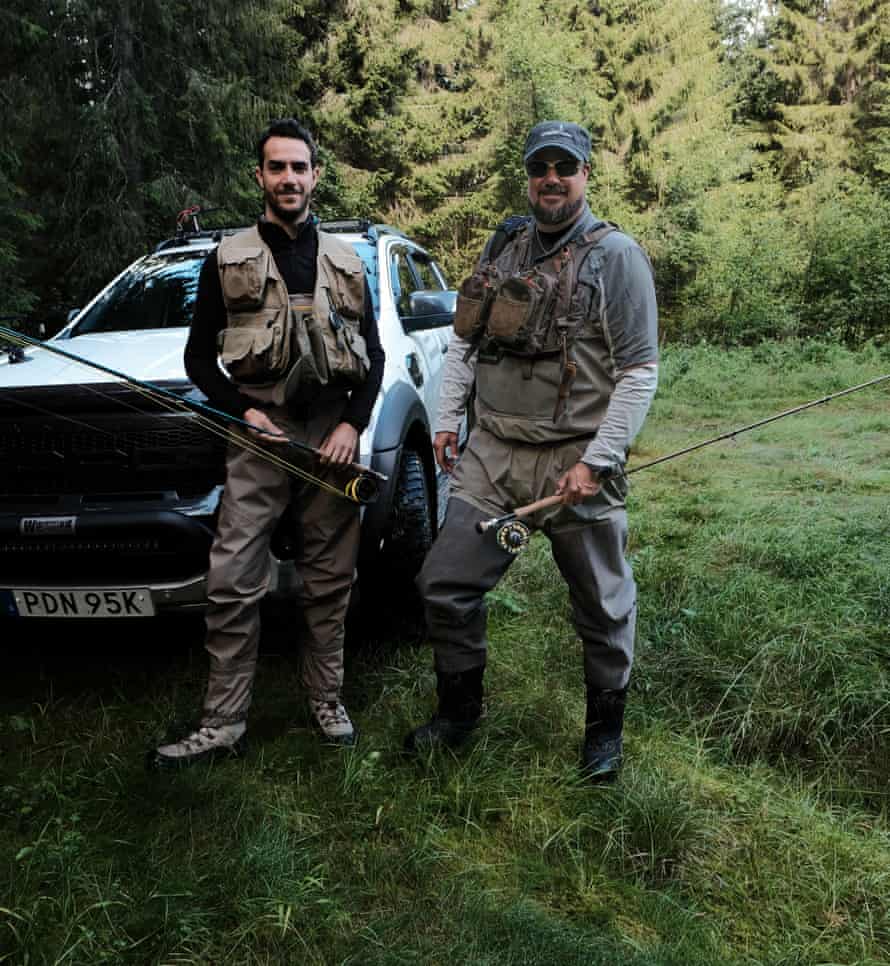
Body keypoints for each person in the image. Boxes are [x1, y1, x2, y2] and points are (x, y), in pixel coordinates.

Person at [404, 120, 658, 781]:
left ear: (584, 174)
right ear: (528, 174)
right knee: (444, 584)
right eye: (540, 166)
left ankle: (604, 735)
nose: (552, 177)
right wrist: (445, 418)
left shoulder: (618, 257)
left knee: (602, 607)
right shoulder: (505, 246)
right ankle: (459, 715)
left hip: (577, 458)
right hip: (493, 453)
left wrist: (597, 461)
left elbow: (638, 371)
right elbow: (464, 343)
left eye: (564, 167)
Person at [153, 118, 385, 766]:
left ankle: (326, 700)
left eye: (299, 167)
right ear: (260, 176)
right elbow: (201, 360)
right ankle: (222, 724)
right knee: (230, 581)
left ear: (315, 175)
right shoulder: (224, 258)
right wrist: (241, 414)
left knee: (330, 581)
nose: (289, 178)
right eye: (277, 167)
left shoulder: (347, 260)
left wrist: (351, 426)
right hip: (260, 436)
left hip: (330, 443)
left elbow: (377, 358)